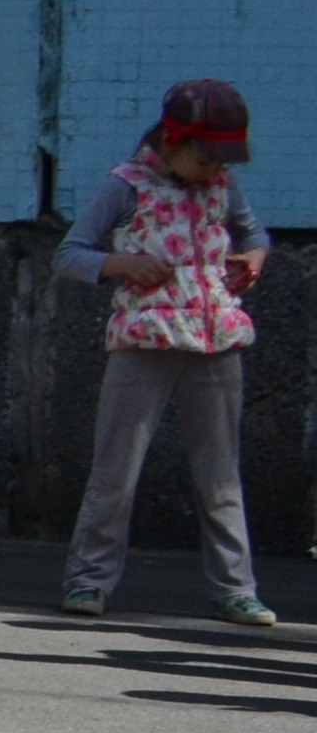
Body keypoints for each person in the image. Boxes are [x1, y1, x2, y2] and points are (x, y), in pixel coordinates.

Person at [57, 78, 275, 627]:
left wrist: (252, 259)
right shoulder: (124, 186)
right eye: (204, 157)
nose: (213, 170)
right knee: (116, 471)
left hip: (216, 342)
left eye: (222, 160)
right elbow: (70, 254)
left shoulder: (223, 185)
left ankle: (236, 589)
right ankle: (88, 581)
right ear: (172, 140)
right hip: (144, 343)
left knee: (220, 476)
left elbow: (254, 236)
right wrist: (122, 264)